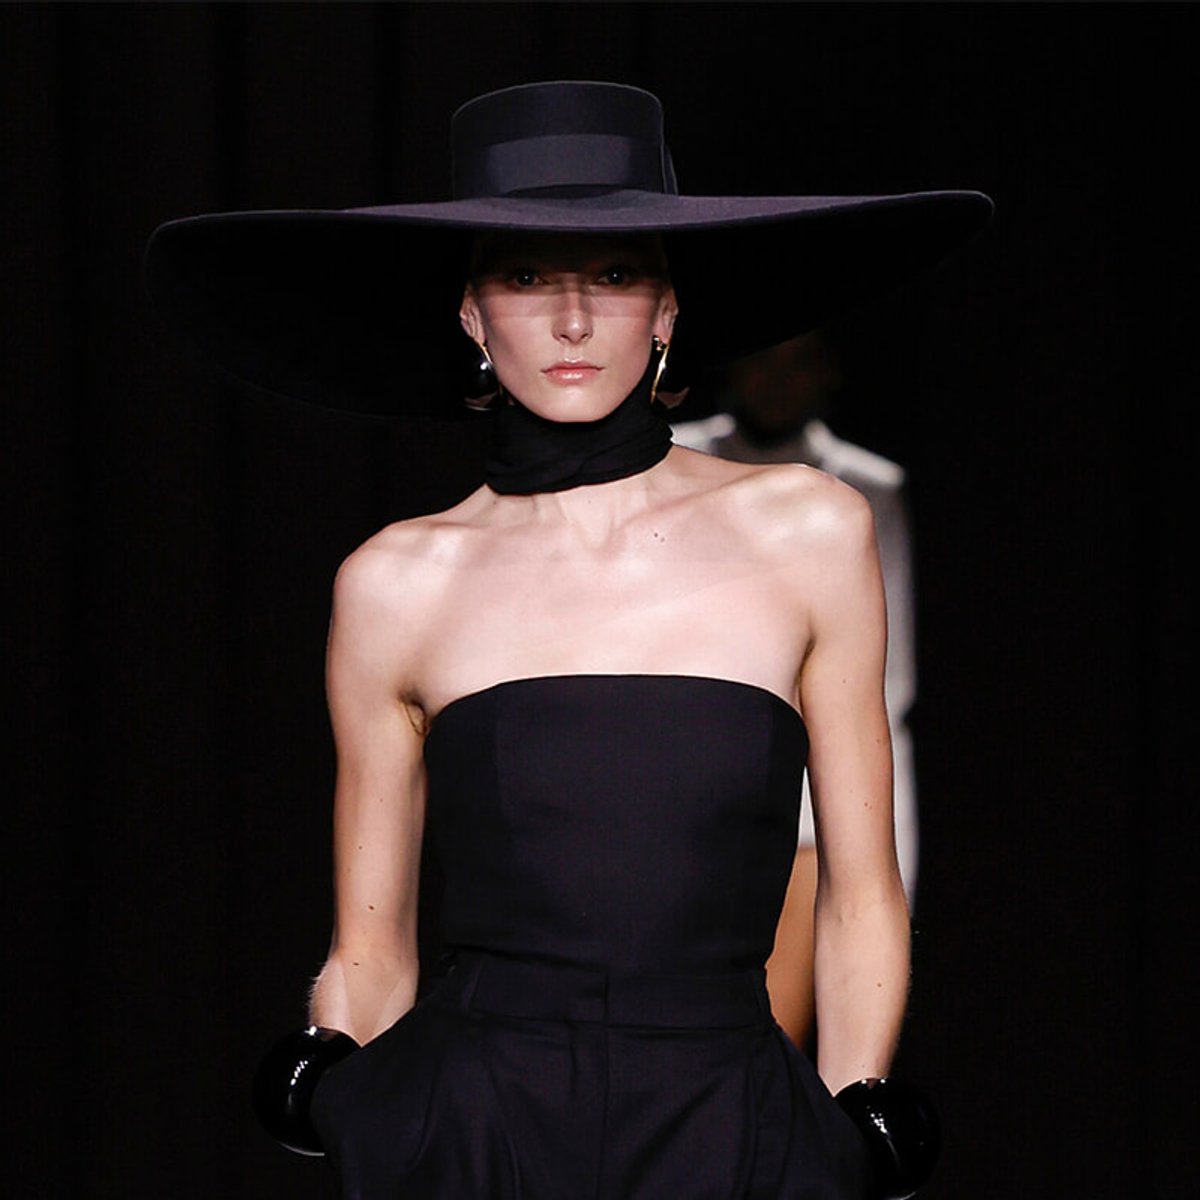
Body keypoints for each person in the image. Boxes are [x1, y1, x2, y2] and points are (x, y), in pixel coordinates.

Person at [146, 81, 990, 1199]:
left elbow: (859, 889)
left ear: (670, 307)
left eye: (615, 273)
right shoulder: (397, 581)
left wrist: (851, 1114)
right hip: (472, 1128)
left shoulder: (808, 531)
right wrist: (341, 1089)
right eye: (528, 276)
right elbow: (370, 938)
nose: (576, 321)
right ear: (469, 313)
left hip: (731, 1124)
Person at [672, 332, 918, 1050]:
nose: (776, 380)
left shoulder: (866, 487)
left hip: (811, 806)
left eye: (797, 362)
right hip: (674, 787)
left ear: (826, 372)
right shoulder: (670, 460)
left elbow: (884, 679)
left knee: (765, 1045)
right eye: (762, 358)